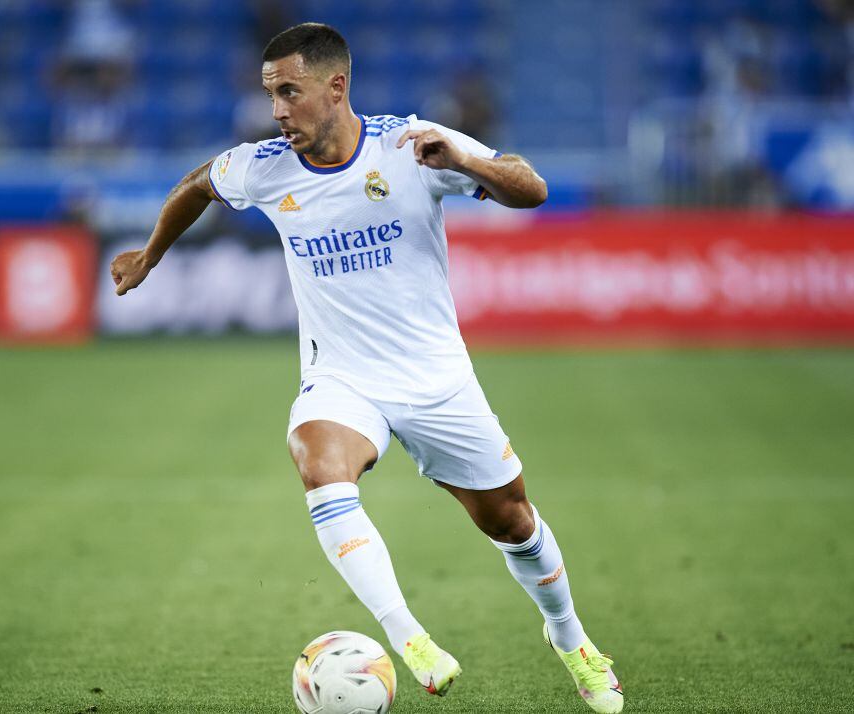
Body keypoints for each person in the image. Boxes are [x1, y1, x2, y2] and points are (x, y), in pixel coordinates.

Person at [110, 23, 622, 714]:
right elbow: (199, 185)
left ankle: (573, 642)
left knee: (513, 522)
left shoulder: (410, 145)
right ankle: (409, 639)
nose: (277, 110)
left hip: (436, 379)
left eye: (289, 92)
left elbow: (530, 189)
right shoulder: (265, 166)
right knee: (319, 464)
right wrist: (149, 256)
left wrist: (467, 164)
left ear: (336, 86)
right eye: (271, 95)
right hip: (342, 378)